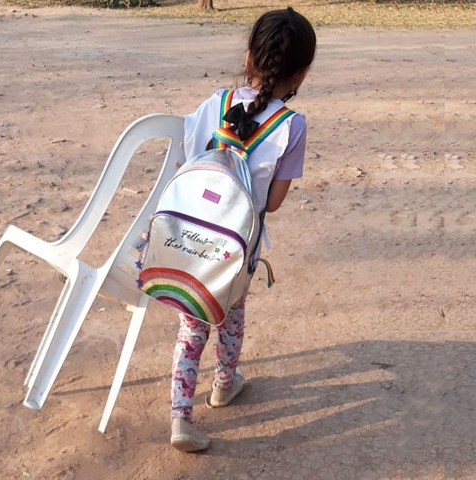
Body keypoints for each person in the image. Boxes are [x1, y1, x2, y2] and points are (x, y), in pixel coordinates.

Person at [170, 7, 318, 452]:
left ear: (249, 58)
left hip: (187, 240)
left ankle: (182, 414)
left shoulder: (214, 103)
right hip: (237, 251)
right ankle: (222, 385)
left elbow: (183, 165)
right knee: (232, 314)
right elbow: (272, 202)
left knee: (191, 328)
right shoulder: (291, 126)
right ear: (303, 73)